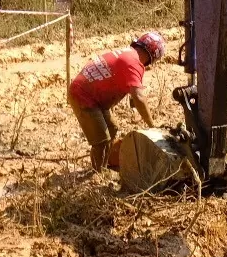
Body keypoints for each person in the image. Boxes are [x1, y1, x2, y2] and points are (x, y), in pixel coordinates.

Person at [68, 31, 165, 172]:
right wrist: (153, 125)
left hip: (91, 94)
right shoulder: (134, 63)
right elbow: (138, 97)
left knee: (112, 128)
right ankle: (97, 173)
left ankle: (104, 163)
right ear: (153, 58)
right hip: (84, 96)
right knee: (102, 140)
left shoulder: (127, 53)